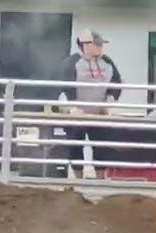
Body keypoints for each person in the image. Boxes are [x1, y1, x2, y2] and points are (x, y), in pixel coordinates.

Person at [59, 30, 123, 176]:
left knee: (101, 147)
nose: (101, 48)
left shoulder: (107, 62)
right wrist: (72, 107)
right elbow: (65, 85)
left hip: (99, 113)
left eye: (101, 45)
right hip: (77, 112)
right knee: (75, 146)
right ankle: (79, 181)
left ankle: (100, 181)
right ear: (86, 45)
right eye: (97, 44)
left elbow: (116, 82)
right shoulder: (72, 62)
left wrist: (109, 102)